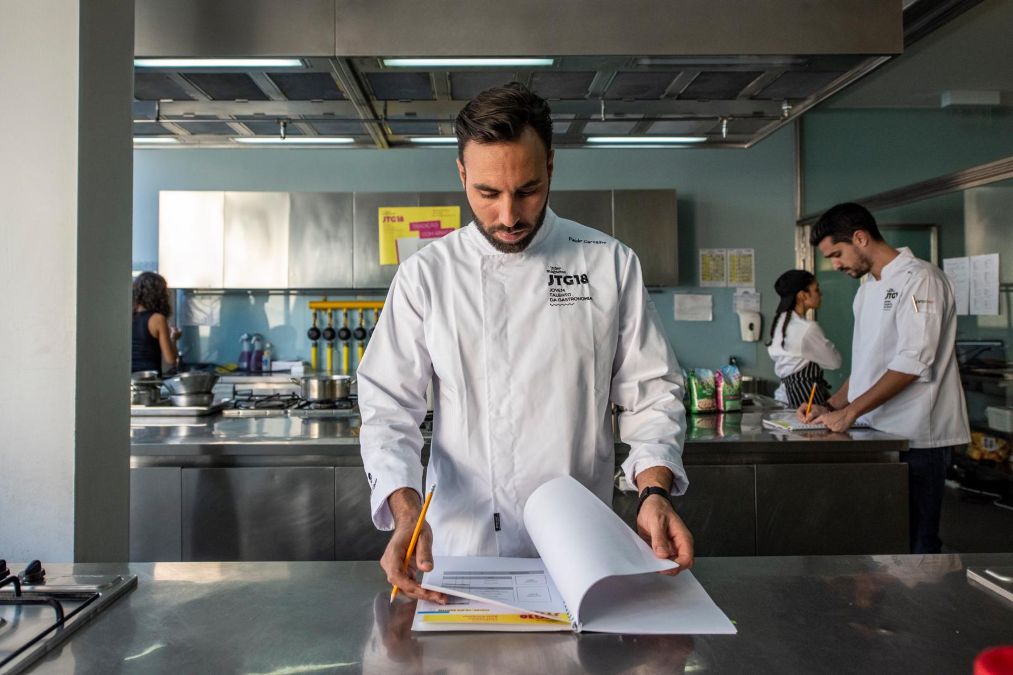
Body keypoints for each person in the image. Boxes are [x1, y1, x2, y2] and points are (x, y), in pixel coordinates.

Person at [357, 82, 691, 603]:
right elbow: (387, 408)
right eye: (488, 193)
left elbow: (652, 394)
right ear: (462, 174)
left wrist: (653, 491)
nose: (509, 215)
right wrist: (405, 514)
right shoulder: (428, 275)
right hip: (458, 550)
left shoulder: (607, 263)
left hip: (582, 548)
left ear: (551, 167)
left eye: (528, 190)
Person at [803, 202, 969, 553]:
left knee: (918, 545)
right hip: (877, 433)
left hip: (917, 436)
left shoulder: (921, 279)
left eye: (837, 254)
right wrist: (830, 406)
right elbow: (868, 365)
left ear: (860, 238)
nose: (835, 265)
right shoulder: (866, 289)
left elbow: (913, 361)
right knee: (887, 542)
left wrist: (850, 412)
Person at [766, 269, 842, 407]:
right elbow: (835, 362)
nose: (820, 294)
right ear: (802, 295)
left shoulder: (779, 323)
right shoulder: (807, 328)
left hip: (783, 396)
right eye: (816, 289)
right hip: (805, 397)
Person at [132, 271, 181, 375]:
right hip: (149, 379)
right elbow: (171, 359)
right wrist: (173, 338)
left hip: (128, 378)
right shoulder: (157, 319)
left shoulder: (128, 316)